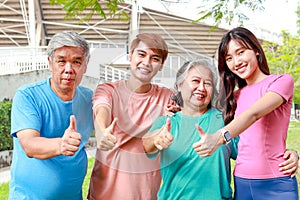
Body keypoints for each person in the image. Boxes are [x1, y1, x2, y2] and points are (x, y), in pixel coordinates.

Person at [194, 27, 299, 199]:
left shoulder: (281, 81)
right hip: (242, 182)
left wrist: (219, 138)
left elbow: (254, 114)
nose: (236, 62)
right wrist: (175, 106)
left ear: (256, 50)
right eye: (229, 58)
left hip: (276, 182)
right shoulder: (235, 96)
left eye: (240, 52)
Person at [88, 33, 177, 200]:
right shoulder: (108, 89)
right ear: (130, 56)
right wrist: (101, 131)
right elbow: (102, 109)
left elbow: (181, 113)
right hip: (104, 193)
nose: (146, 62)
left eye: (155, 58)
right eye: (141, 54)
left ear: (161, 65)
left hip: (146, 194)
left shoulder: (166, 96)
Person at [9, 31, 94, 200]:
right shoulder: (27, 96)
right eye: (61, 61)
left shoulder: (89, 99)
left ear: (85, 65)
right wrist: (61, 144)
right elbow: (29, 145)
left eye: (77, 62)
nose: (69, 69)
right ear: (50, 63)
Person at [143, 59, 239, 199]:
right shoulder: (167, 122)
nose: (201, 88)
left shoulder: (224, 121)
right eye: (195, 81)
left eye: (207, 83)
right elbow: (146, 145)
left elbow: (246, 151)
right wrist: (156, 139)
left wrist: (281, 155)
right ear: (180, 85)